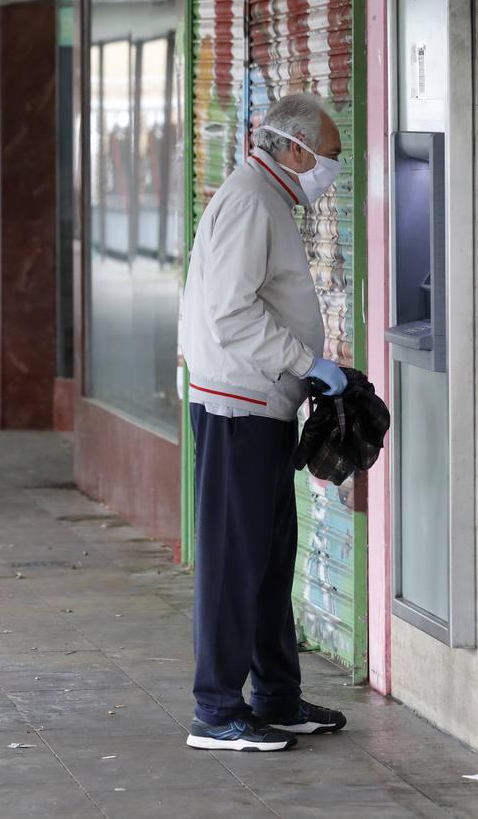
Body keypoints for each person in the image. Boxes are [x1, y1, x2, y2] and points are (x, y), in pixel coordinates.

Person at [178, 92, 351, 752]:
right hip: (239, 407)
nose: (332, 170)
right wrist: (306, 361)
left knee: (270, 558)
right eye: (330, 156)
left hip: (262, 405)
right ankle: (216, 710)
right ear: (297, 148)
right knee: (233, 562)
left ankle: (275, 697)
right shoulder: (253, 200)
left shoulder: (267, 198)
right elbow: (229, 313)